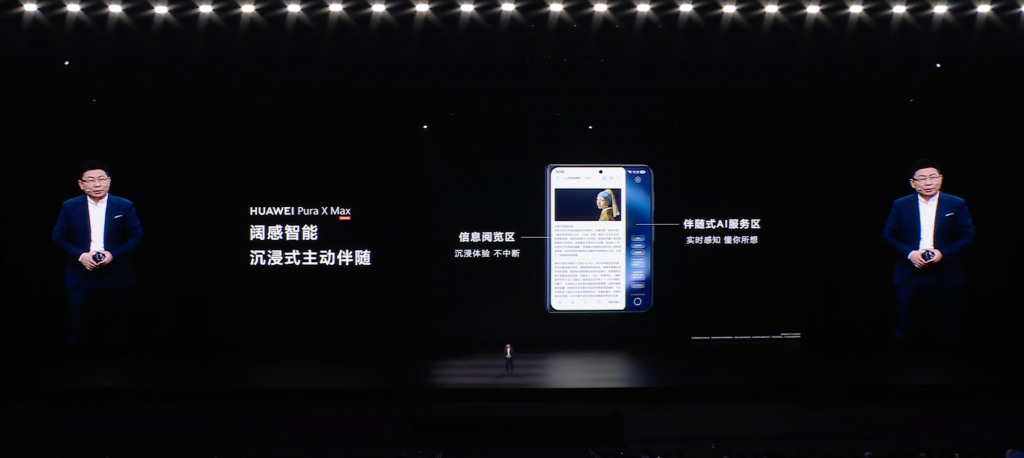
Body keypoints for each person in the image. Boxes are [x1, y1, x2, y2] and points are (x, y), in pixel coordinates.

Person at [882, 159, 974, 350]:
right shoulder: (900, 205)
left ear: (941, 178)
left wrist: (943, 253)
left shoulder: (956, 203)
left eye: (933, 177)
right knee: (905, 322)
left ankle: (946, 359)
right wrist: (910, 254)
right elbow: (888, 235)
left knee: (945, 322)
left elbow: (968, 235)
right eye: (922, 178)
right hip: (909, 271)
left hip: (945, 271)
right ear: (912, 182)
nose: (929, 182)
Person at [52, 160, 143, 347]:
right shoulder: (69, 206)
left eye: (102, 179)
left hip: (115, 272)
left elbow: (136, 236)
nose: (97, 184)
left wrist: (113, 254)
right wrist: (81, 256)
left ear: (109, 180)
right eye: (91, 180)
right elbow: (58, 237)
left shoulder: (124, 206)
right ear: (81, 184)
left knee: (117, 323)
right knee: (78, 323)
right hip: (80, 273)